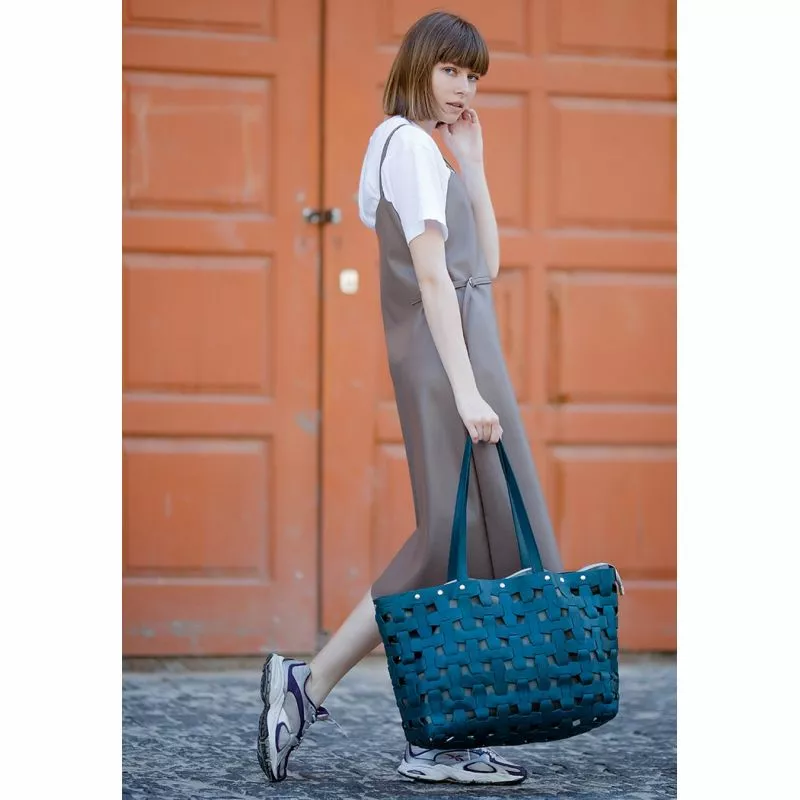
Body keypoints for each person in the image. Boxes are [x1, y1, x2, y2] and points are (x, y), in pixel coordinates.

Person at [256, 10, 564, 786]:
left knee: (459, 544)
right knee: (454, 540)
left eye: (474, 77)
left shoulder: (418, 148)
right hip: (449, 364)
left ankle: (408, 725)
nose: (463, 89)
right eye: (451, 70)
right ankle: (347, 699)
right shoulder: (407, 147)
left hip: (463, 358)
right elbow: (433, 280)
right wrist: (466, 390)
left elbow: (482, 268)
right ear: (419, 64)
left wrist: (475, 165)